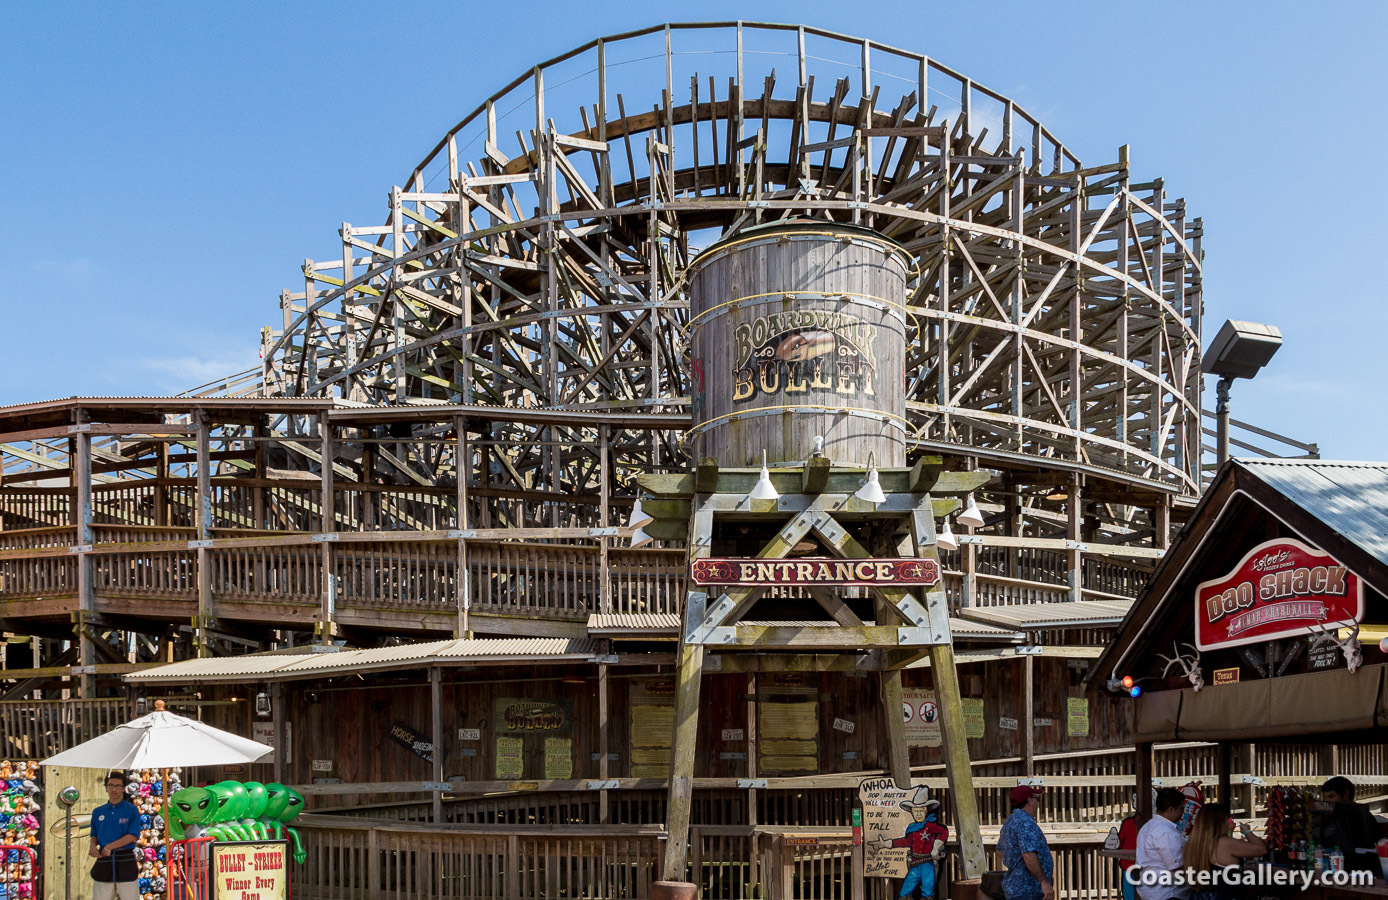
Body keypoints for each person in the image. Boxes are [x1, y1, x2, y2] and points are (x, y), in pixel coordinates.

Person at [1183, 803, 1266, 900]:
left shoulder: (1190, 845)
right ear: (1219, 822)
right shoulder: (1223, 843)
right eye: (1226, 820)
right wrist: (1247, 832)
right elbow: (1261, 849)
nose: (1228, 823)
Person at [881, 788, 949, 899]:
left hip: (928, 863)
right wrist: (887, 843)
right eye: (915, 811)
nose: (918, 814)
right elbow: (905, 841)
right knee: (905, 891)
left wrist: (936, 846)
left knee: (928, 891)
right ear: (912, 812)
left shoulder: (931, 825)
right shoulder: (912, 829)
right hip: (915, 864)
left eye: (921, 811)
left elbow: (944, 832)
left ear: (926, 811)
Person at [89, 771, 142, 900]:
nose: (114, 789)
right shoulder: (98, 812)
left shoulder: (131, 810)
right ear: (106, 787)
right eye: (111, 785)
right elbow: (94, 834)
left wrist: (109, 847)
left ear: (124, 788)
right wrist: (92, 846)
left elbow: (133, 835)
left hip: (125, 859)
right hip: (104, 861)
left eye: (118, 786)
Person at [999, 786, 1054, 900]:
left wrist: (1015, 863)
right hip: (1029, 890)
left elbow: (999, 850)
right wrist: (1044, 882)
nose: (1038, 803)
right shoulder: (1025, 823)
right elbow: (1028, 854)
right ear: (1030, 801)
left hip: (1015, 889)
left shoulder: (1010, 822)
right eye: (1037, 799)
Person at [1316, 776, 1379, 874]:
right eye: (1326, 797)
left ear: (1345, 793)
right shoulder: (1326, 816)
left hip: (1359, 868)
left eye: (1331, 796)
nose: (1328, 801)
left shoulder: (1364, 816)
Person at [1136, 787, 1191, 900]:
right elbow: (1176, 865)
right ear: (1171, 809)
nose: (1182, 812)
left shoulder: (1148, 826)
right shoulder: (1165, 832)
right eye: (1181, 808)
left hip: (1151, 889)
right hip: (1167, 893)